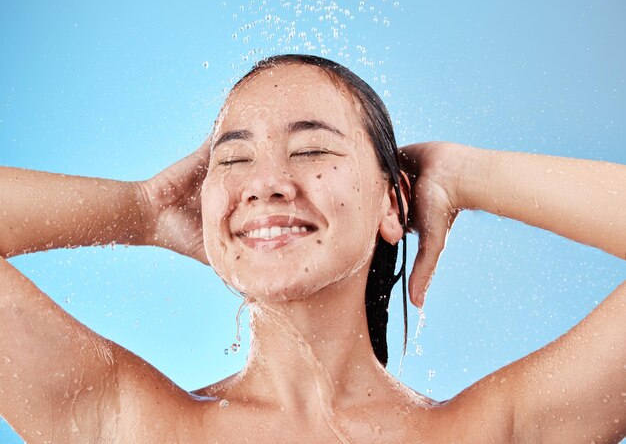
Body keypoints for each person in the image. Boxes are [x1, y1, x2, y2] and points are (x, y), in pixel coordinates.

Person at [0, 54, 624, 443]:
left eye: (312, 149)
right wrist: (141, 209)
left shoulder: (497, 431)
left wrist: (462, 174)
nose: (266, 182)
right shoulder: (125, 422)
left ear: (392, 204)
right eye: (234, 158)